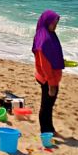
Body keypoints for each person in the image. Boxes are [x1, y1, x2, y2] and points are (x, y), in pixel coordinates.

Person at [31, 9, 64, 138]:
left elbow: (51, 56)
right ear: (47, 22)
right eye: (53, 23)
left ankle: (49, 129)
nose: (55, 26)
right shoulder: (44, 40)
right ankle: (46, 131)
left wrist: (61, 62)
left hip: (47, 76)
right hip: (47, 78)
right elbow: (44, 64)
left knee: (48, 105)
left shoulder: (46, 34)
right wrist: (51, 84)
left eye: (57, 23)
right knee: (46, 105)